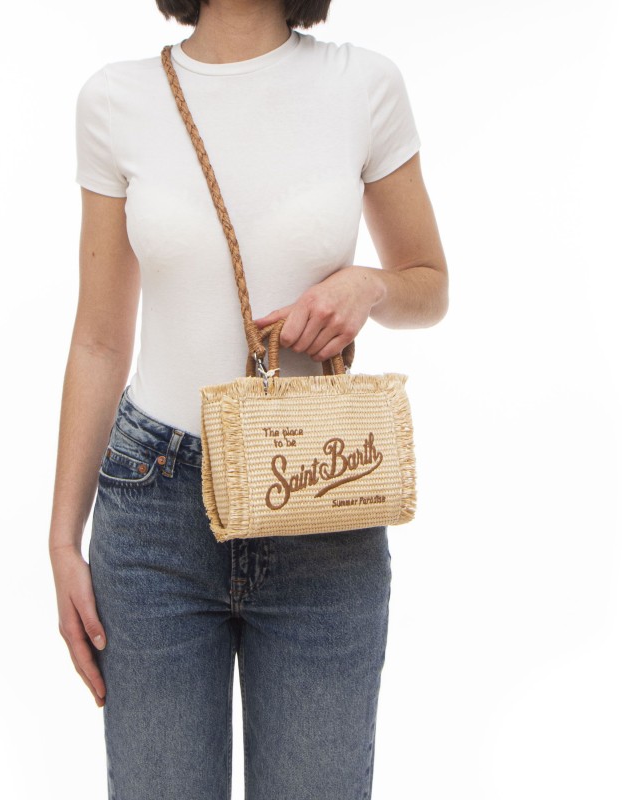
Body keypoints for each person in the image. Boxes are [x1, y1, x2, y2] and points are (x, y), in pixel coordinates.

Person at [49, 0, 448, 797]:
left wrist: (367, 286)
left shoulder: (364, 84)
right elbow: (99, 339)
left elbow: (427, 285)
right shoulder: (115, 100)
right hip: (155, 506)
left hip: (320, 500)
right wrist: (64, 538)